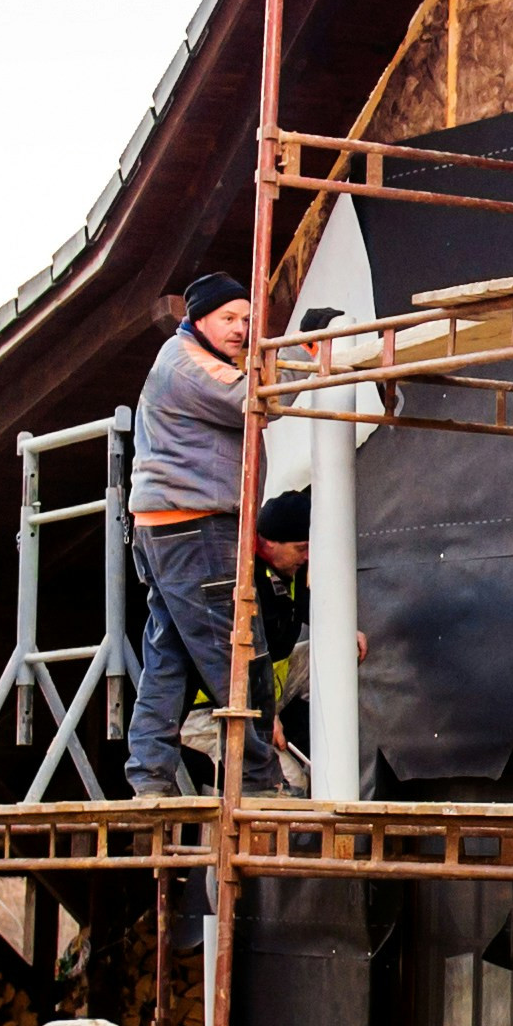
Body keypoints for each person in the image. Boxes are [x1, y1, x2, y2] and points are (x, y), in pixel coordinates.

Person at [126, 271, 292, 796]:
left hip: (171, 528)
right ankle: (261, 785)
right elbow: (260, 399)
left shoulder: (189, 359)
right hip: (194, 529)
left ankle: (150, 776)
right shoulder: (189, 363)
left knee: (170, 656)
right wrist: (311, 349)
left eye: (248, 319)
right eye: (229, 319)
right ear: (198, 319)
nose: (242, 329)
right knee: (240, 653)